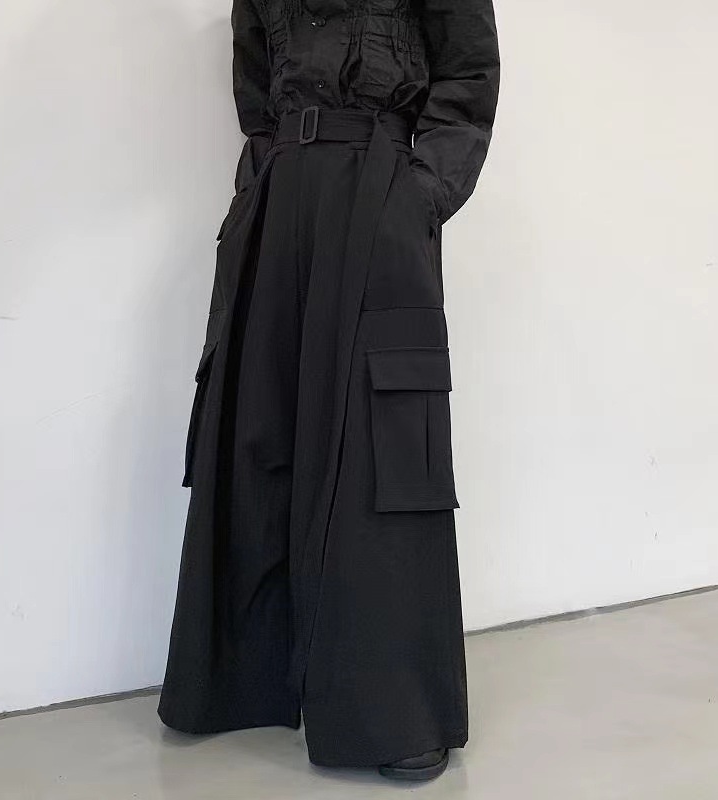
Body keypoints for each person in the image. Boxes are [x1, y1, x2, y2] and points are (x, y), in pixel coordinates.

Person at [159, 0, 500, 782]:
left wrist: (416, 196)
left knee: (380, 443)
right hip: (280, 197)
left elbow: (469, 76)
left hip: (377, 190)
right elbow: (255, 91)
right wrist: (258, 187)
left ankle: (394, 710)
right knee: (256, 424)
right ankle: (241, 679)